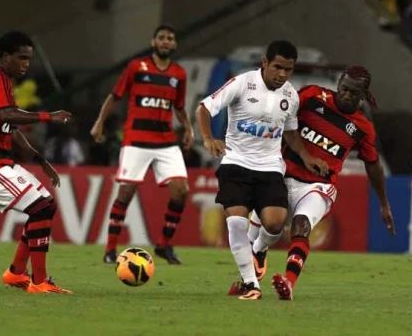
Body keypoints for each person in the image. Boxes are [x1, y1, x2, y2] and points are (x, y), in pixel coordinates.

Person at [246, 65, 396, 301]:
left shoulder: (363, 127)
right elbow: (284, 122)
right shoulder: (312, 96)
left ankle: (288, 283)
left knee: (301, 225)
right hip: (283, 174)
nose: (347, 95)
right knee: (271, 228)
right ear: (338, 84)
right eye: (344, 89)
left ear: (363, 95)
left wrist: (384, 203)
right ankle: (258, 251)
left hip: (318, 187)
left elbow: (373, 164)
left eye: (353, 93)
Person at [195, 40, 328, 300]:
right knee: (235, 222)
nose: (282, 74)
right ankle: (250, 283)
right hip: (236, 163)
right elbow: (204, 108)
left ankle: (259, 250)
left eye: (288, 69)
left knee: (276, 224)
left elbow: (290, 132)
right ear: (264, 63)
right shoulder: (242, 83)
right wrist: (208, 138)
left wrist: (306, 155)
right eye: (277, 67)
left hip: (269, 167)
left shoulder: (290, 95)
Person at [0, 31, 73, 294]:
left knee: (44, 206)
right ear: (5, 56)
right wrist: (48, 116)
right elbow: (9, 114)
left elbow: (7, 123)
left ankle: (15, 274)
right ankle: (39, 281)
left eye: (29, 59)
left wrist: (39, 158)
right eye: (21, 58)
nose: (26, 64)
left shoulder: (0, 79)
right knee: (42, 207)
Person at [90, 24, 193, 265]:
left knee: (181, 190)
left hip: (166, 141)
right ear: (153, 42)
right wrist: (99, 122)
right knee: (125, 193)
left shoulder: (179, 74)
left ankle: (164, 244)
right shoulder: (136, 67)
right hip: (136, 140)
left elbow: (178, 107)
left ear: (174, 44)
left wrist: (188, 128)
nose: (166, 41)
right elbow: (115, 95)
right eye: (162, 38)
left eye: (170, 38)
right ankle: (110, 249)